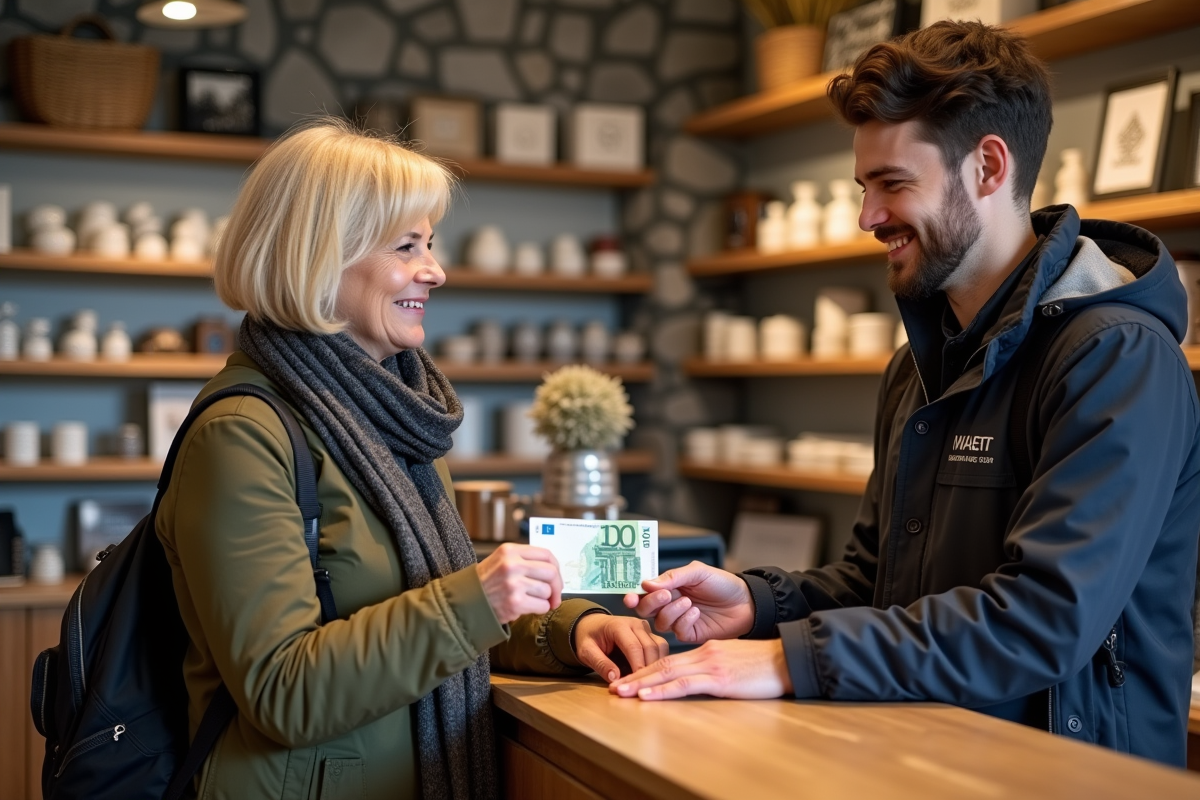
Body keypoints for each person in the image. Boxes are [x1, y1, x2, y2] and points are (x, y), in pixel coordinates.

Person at [611, 21, 1200, 768]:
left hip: (1067, 774)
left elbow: (1041, 619)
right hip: (925, 753)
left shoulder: (1115, 357)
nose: (868, 217)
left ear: (988, 167)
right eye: (865, 188)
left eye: (892, 184)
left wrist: (790, 660)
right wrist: (757, 604)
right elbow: (875, 580)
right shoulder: (913, 369)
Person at [155, 117, 667, 800]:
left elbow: (428, 604)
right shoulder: (243, 435)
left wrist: (568, 631)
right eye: (407, 247)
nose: (436, 271)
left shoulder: (389, 414)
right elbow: (282, 691)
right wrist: (474, 601)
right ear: (319, 257)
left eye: (431, 244)